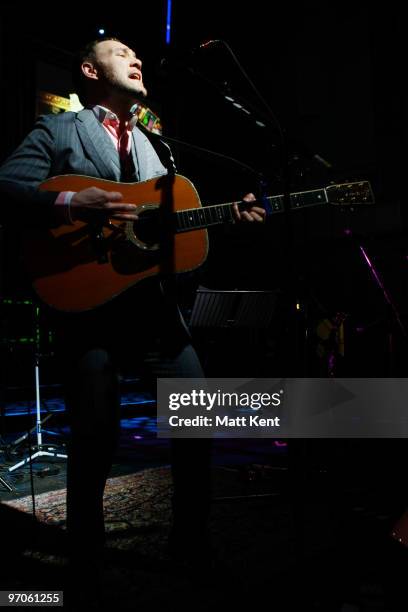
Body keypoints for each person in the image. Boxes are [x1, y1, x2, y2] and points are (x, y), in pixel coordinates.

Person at [0, 37, 265, 584]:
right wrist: (73, 200)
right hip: (89, 307)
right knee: (96, 436)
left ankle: (190, 548)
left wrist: (227, 219)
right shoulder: (59, 130)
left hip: (156, 310)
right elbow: (6, 186)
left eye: (136, 55)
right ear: (89, 71)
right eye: (122, 54)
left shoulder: (157, 147)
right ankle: (86, 564)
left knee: (197, 424)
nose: (136, 59)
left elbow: (169, 227)